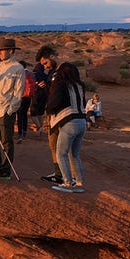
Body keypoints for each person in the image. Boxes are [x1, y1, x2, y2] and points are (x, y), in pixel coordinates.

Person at [0, 38, 26, 179]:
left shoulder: (18, 68)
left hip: (5, 111)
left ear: (10, 51)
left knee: (6, 141)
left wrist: (10, 110)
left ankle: (5, 170)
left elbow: (18, 92)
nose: (0, 54)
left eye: (2, 50)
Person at [46, 62, 88, 192]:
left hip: (69, 122)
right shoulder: (80, 86)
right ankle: (79, 182)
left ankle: (67, 182)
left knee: (61, 153)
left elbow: (55, 102)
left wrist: (48, 109)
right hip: (82, 122)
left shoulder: (61, 84)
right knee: (74, 154)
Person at [35, 45, 62, 183]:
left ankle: (67, 177)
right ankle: (59, 174)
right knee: (53, 145)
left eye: (45, 63)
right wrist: (44, 87)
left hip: (61, 114)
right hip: (51, 112)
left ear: (52, 57)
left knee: (61, 146)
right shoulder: (51, 74)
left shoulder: (63, 72)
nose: (45, 67)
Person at [16, 60, 35, 143]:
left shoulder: (18, 74)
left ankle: (20, 133)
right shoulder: (30, 74)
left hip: (20, 96)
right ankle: (25, 132)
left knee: (19, 115)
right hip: (28, 97)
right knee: (24, 114)